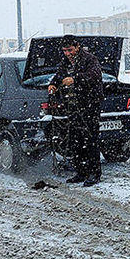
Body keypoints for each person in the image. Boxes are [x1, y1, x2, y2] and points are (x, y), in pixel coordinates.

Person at [48, 35, 104, 187]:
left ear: (77, 47)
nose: (67, 53)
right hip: (72, 105)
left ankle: (94, 173)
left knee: (90, 139)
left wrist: (75, 79)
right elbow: (59, 75)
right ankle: (81, 172)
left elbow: (94, 76)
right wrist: (53, 84)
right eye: (65, 51)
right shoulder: (66, 62)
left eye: (70, 50)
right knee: (75, 139)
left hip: (89, 104)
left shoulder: (89, 59)